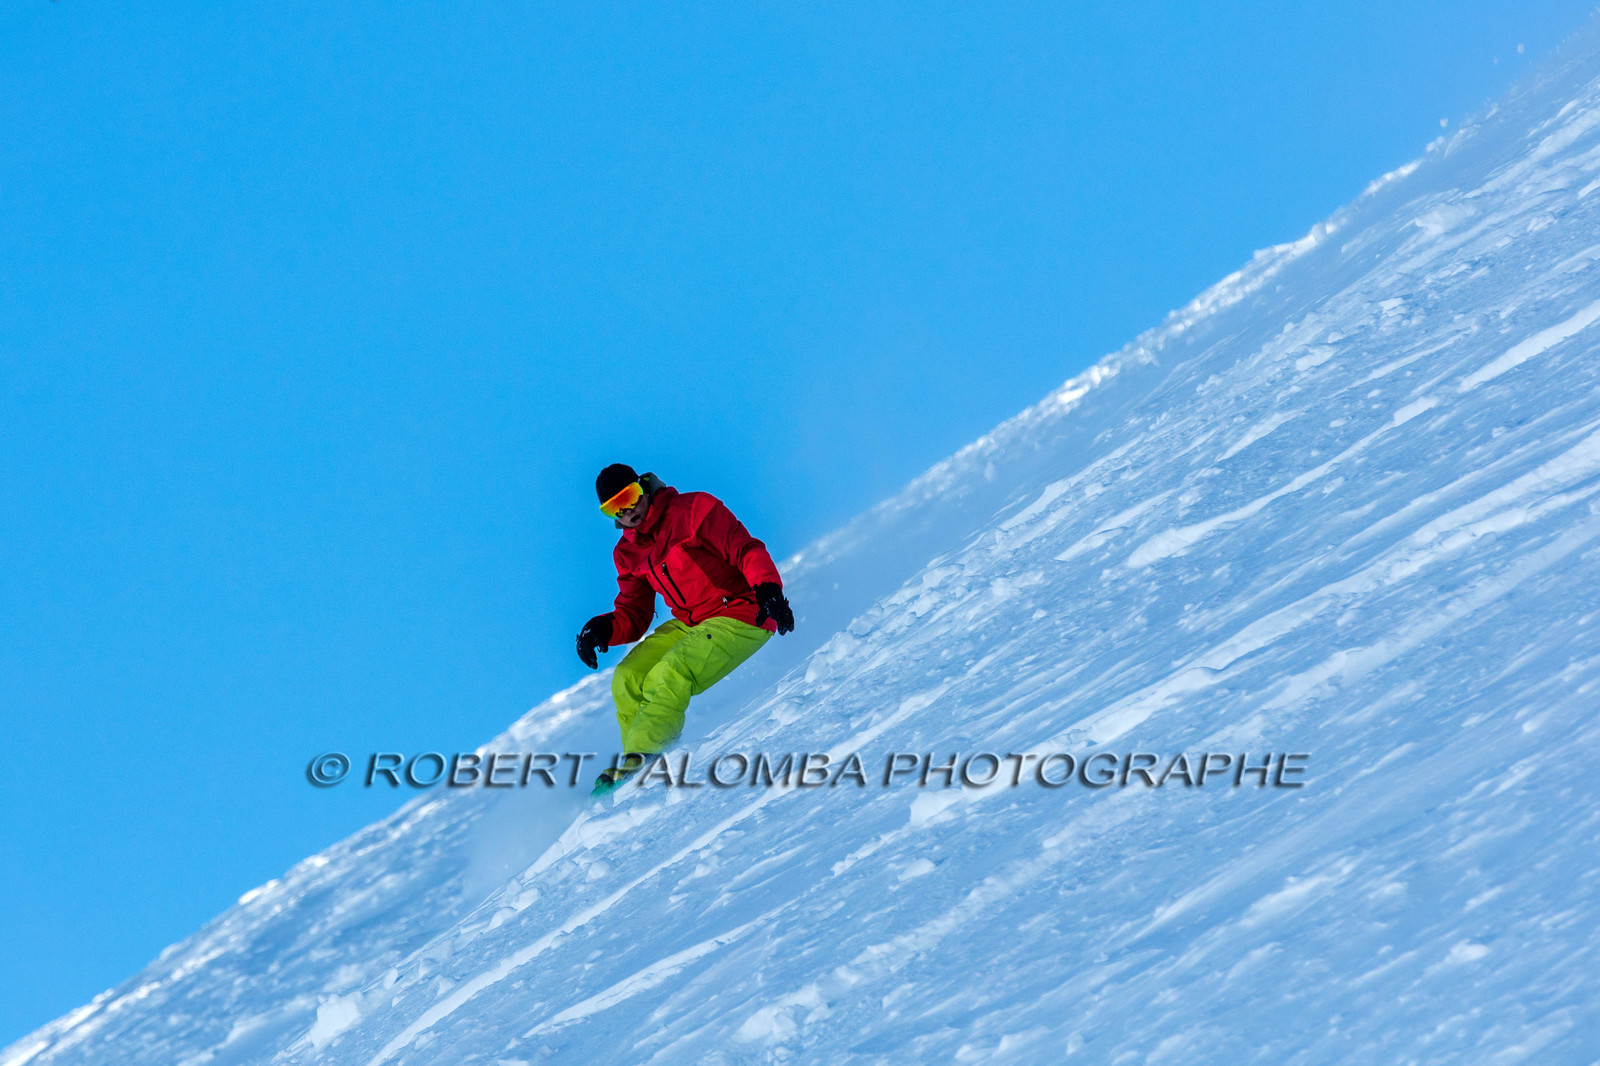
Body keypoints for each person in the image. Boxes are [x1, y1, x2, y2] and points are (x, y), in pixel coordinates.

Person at [577, 464, 794, 793]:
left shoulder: (693, 510)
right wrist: (603, 630)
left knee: (671, 671)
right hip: (693, 621)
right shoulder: (626, 552)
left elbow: (745, 549)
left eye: (630, 497)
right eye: (614, 508)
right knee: (628, 677)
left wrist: (768, 589)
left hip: (742, 611)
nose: (627, 511)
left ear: (643, 488)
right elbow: (634, 613)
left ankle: (645, 760)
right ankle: (635, 760)